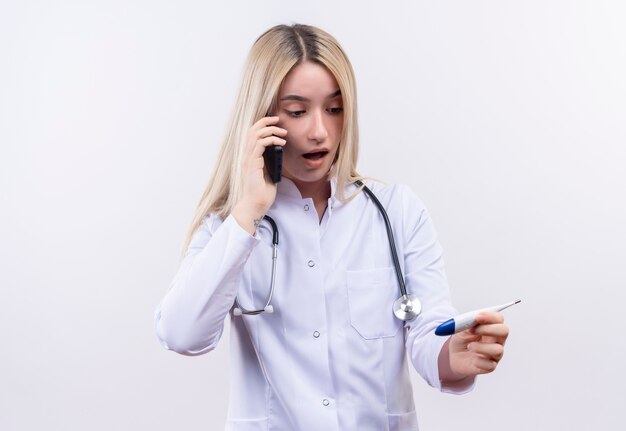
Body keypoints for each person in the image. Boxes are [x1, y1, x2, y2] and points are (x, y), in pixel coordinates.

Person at [155, 23, 510, 430]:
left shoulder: (396, 212)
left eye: (335, 108)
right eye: (297, 111)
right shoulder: (230, 227)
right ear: (262, 120)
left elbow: (429, 334)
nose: (320, 130)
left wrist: (454, 356)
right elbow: (181, 334)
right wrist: (247, 212)